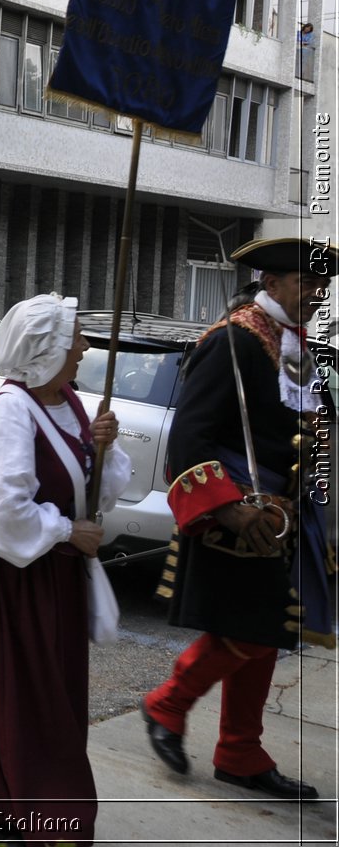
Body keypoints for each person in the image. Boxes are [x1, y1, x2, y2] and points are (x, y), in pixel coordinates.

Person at [0, 293, 128, 846]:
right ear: (47, 347)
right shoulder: (11, 408)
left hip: (51, 573)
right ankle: (15, 810)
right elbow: (4, 513)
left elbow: (95, 491)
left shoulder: (70, 402)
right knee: (16, 687)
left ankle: (31, 802)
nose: (85, 347)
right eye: (76, 338)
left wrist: (104, 451)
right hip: (11, 574)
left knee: (49, 690)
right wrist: (67, 530)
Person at [139, 237, 337, 801]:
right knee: (249, 631)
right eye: (307, 283)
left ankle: (239, 751)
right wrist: (226, 506)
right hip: (237, 513)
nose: (318, 293)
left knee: (265, 631)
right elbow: (190, 435)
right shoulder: (231, 341)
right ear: (270, 284)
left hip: (283, 514)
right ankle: (168, 703)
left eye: (322, 284)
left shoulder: (296, 345)